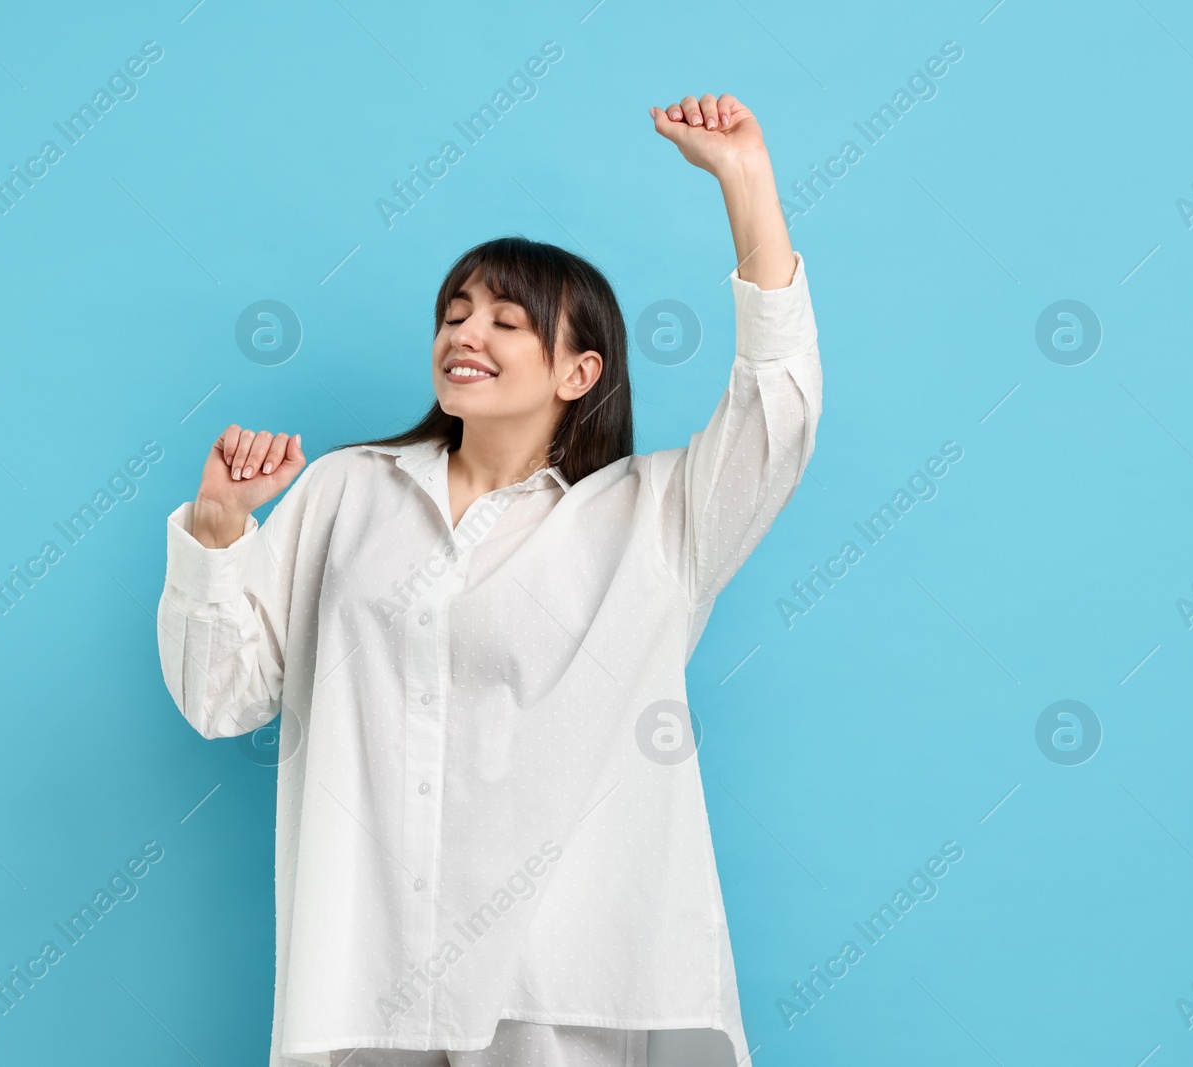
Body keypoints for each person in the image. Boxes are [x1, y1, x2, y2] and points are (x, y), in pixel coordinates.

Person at [157, 92, 822, 1067]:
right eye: (455, 312)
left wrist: (747, 185)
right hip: (371, 994)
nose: (467, 332)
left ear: (579, 370)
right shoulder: (345, 495)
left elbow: (778, 412)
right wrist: (218, 530)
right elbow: (224, 696)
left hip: (572, 999)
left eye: (508, 320)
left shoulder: (653, 518)